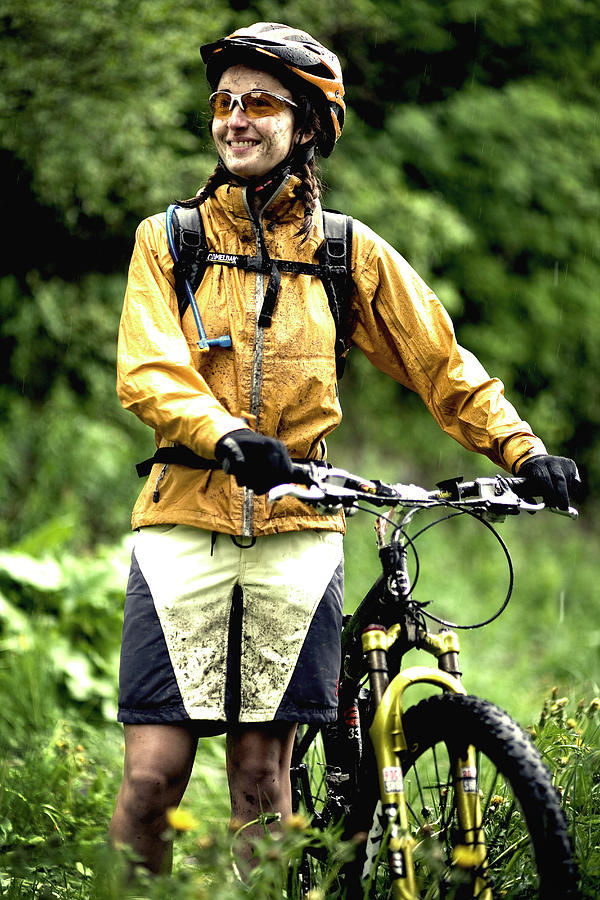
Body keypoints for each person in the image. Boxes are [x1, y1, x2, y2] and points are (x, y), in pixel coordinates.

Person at [109, 22, 579, 874]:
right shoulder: (169, 240)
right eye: (224, 102)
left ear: (310, 128)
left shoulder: (343, 252)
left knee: (262, 776)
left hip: (299, 532)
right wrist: (222, 433)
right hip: (182, 524)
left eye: (259, 103)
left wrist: (520, 449)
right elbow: (147, 369)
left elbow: (439, 361)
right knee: (152, 778)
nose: (234, 118)